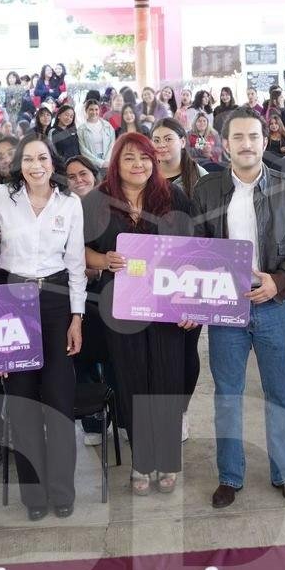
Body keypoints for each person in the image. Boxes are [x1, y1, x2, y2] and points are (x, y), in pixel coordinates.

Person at [191, 108, 285, 508]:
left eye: (254, 136)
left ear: (265, 141)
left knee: (280, 393)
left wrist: (279, 280)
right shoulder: (207, 189)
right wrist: (197, 298)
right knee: (228, 394)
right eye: (238, 137)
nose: (247, 144)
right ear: (225, 145)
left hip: (272, 305)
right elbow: (195, 249)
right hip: (225, 309)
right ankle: (230, 475)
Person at [0, 135, 86, 519]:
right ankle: (34, 497)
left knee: (58, 401)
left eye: (42, 158)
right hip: (12, 301)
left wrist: (77, 317)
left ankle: (63, 491)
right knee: (21, 405)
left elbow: (76, 264)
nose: (35, 166)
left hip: (56, 302)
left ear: (52, 162)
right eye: (27, 159)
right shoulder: (3, 197)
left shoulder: (69, 203)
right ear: (18, 165)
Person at [82, 134, 196, 495]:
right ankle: (141, 461)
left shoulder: (173, 197)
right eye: (129, 158)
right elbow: (76, 250)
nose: (138, 165)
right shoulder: (96, 201)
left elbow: (193, 251)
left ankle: (167, 457)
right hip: (121, 305)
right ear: (116, 162)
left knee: (167, 378)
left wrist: (191, 301)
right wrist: (103, 260)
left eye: (145, 158)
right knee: (131, 380)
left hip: (167, 304)